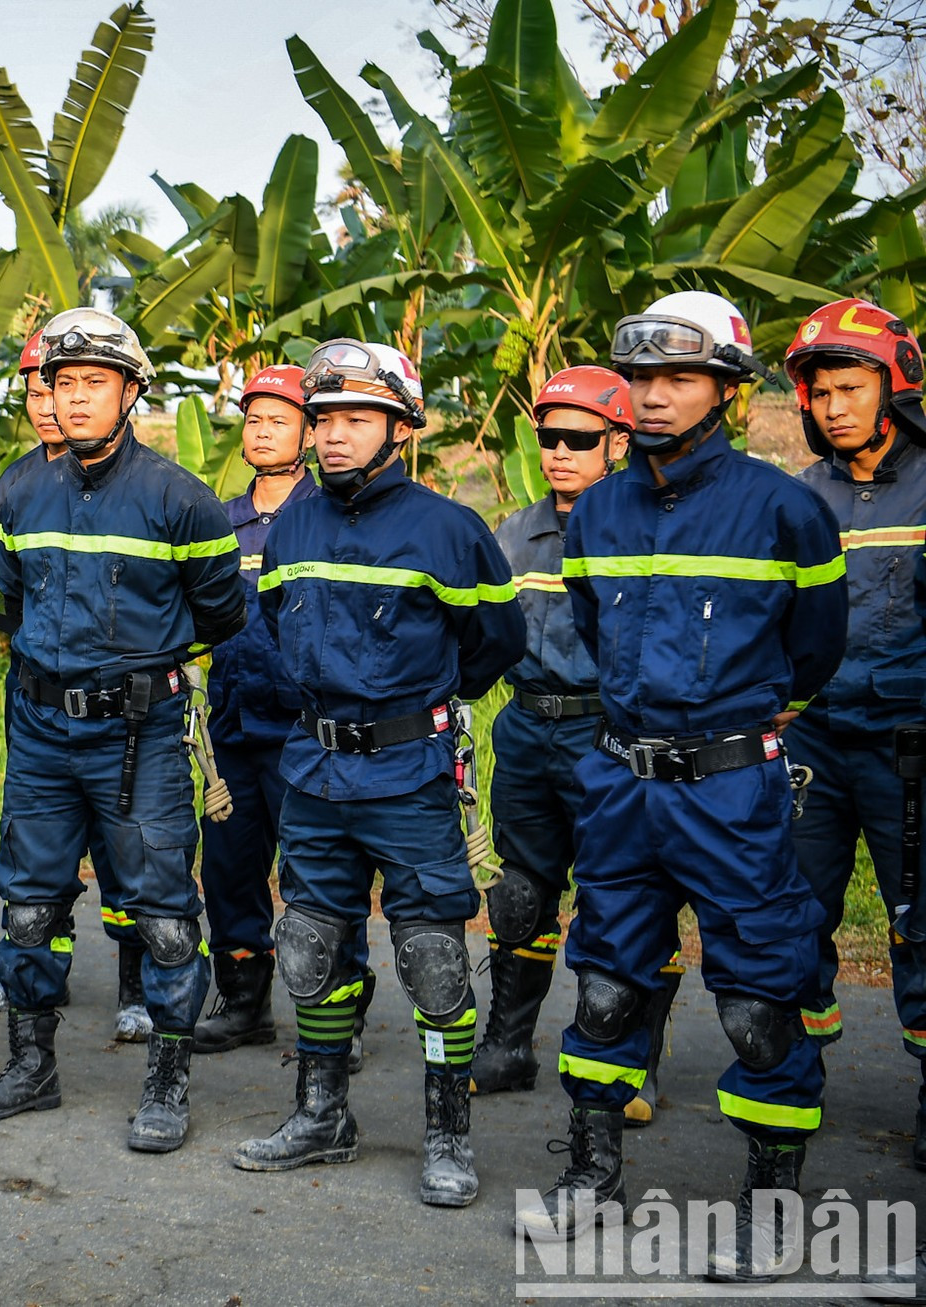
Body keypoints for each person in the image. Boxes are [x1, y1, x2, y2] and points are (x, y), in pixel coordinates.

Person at [515, 292, 847, 1284]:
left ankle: (771, 1200)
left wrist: (732, 724)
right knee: (609, 984)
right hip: (618, 783)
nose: (652, 398)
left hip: (729, 790)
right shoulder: (600, 506)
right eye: (641, 378)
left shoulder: (784, 505)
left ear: (724, 388)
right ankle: (588, 1168)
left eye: (677, 377)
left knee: (756, 999)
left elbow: (814, 653)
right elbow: (589, 616)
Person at [232, 339, 522, 1208]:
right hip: (315, 772)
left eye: (356, 418)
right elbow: (280, 623)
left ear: (401, 426)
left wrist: (410, 714)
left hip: (411, 774)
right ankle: (322, 1116)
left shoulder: (450, 529)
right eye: (321, 419)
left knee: (434, 958)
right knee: (311, 948)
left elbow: (492, 647)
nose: (331, 436)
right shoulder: (296, 523)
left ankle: (447, 1135)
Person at [0, 308, 246, 1153]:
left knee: (161, 914)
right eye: (62, 383)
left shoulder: (179, 498)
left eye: (95, 384)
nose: (75, 400)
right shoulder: (16, 489)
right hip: (40, 728)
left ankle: (166, 1078)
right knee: (29, 908)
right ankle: (29, 1068)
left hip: (141, 735)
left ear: (131, 392)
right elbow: (11, 599)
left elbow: (219, 613)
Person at [472, 366, 682, 1125]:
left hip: (613, 735)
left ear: (619, 442)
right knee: (522, 894)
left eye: (579, 439)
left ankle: (634, 1058)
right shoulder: (512, 534)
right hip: (527, 728)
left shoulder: (648, 528)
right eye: (548, 437)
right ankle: (507, 1045)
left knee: (626, 896)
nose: (559, 452)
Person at [0, 328, 154, 1043]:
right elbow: (9, 602)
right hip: (38, 701)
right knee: (38, 860)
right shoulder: (16, 485)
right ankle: (47, 975)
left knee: (125, 854)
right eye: (38, 390)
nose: (51, 404)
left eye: (64, 389)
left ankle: (136, 987)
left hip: (123, 711)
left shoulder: (140, 485)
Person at [783, 296, 926, 1170]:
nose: (833, 406)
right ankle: (791, 1074)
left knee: (921, 924)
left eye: (849, 386)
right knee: (791, 914)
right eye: (821, 393)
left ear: (894, 384)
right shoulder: (799, 498)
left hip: (912, 743)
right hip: (814, 745)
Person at [191, 363, 321, 1054]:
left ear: (308, 429)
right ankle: (243, 1002)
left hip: (302, 735)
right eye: (254, 418)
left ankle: (337, 1015)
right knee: (230, 872)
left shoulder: (324, 517)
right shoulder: (221, 519)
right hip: (233, 729)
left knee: (315, 875)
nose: (263, 431)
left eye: (279, 418)